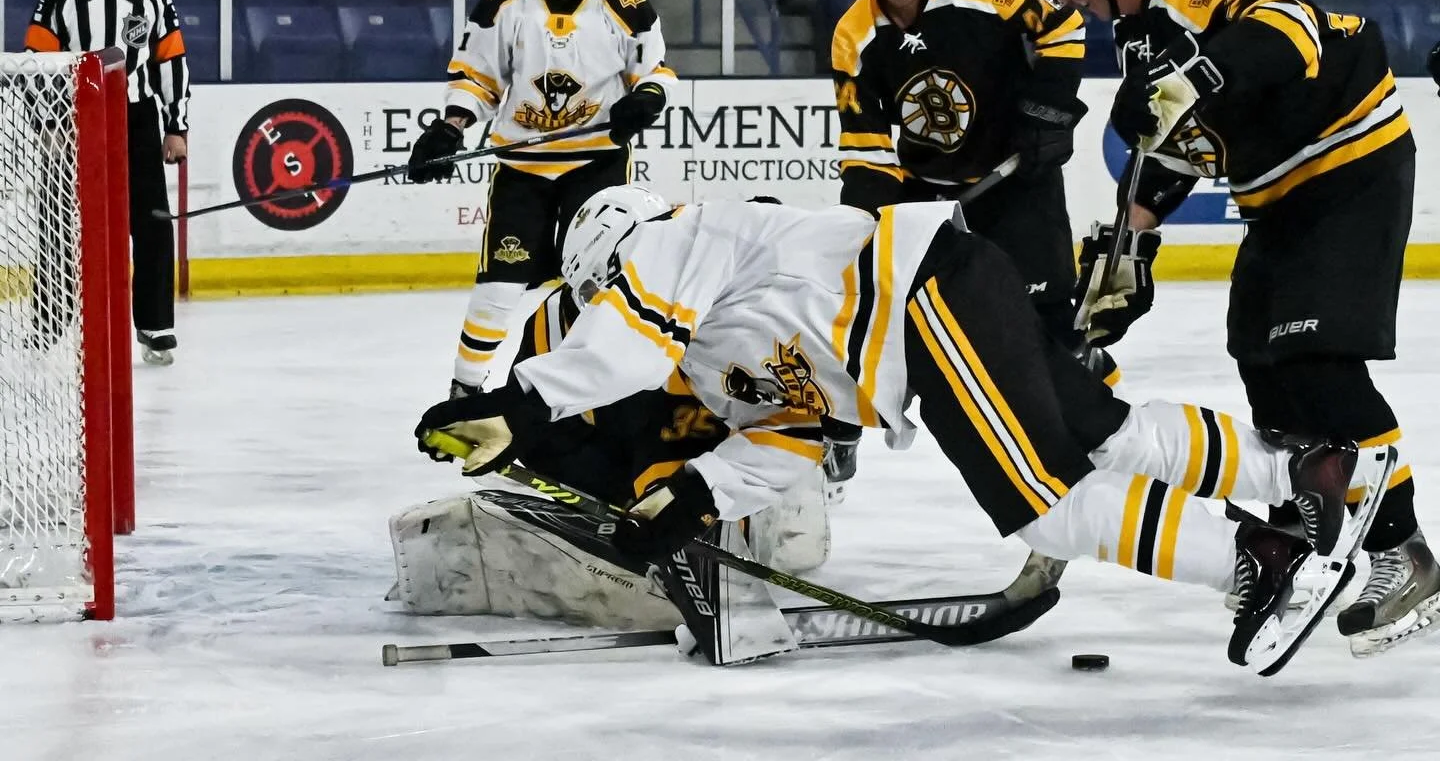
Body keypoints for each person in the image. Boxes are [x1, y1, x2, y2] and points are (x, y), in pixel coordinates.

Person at [413, 185, 1396, 676]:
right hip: (948, 296)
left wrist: (517, 407)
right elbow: (789, 433)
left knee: (1046, 505)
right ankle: (1304, 475)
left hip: (923, 304)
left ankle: (1258, 561)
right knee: (1106, 434)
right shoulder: (709, 354)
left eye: (602, 294)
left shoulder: (682, 236)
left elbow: (625, 338)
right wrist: (695, 497)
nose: (604, 307)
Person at [1018, 0, 1437, 657]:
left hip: (1349, 161)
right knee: (1260, 359)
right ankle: (1305, 525)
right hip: (1279, 193)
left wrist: (1192, 79)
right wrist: (1131, 245)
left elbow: (1292, 30)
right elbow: (1174, 147)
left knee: (1318, 361)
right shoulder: (1135, 36)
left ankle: (1404, 552)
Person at [394, 267, 833, 651]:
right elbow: (534, 420)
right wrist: (488, 433)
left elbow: (692, 432)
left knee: (693, 501)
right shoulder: (556, 316)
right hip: (610, 443)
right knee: (561, 467)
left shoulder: (697, 317)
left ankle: (706, 537)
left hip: (698, 447)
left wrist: (679, 508)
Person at [407, 0, 677, 392]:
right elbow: (476, 78)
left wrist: (646, 98)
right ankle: (465, 390)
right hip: (522, 168)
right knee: (499, 286)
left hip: (596, 165)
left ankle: (590, 392)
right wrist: (450, 127)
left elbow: (654, 72)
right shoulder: (505, 3)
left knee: (598, 286)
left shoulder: (624, 2)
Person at [833, 0, 1100, 371]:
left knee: (1047, 324)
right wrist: (868, 225)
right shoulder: (853, 35)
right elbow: (867, 149)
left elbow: (1063, 28)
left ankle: (1092, 398)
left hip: (1017, 179)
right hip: (928, 196)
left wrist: (1045, 117)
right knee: (928, 330)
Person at [26, 0, 190, 366]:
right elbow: (36, 62)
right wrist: (50, 122)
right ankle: (49, 323)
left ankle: (156, 326)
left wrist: (176, 126)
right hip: (74, 120)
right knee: (60, 221)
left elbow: (171, 60)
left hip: (137, 119)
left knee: (152, 224)